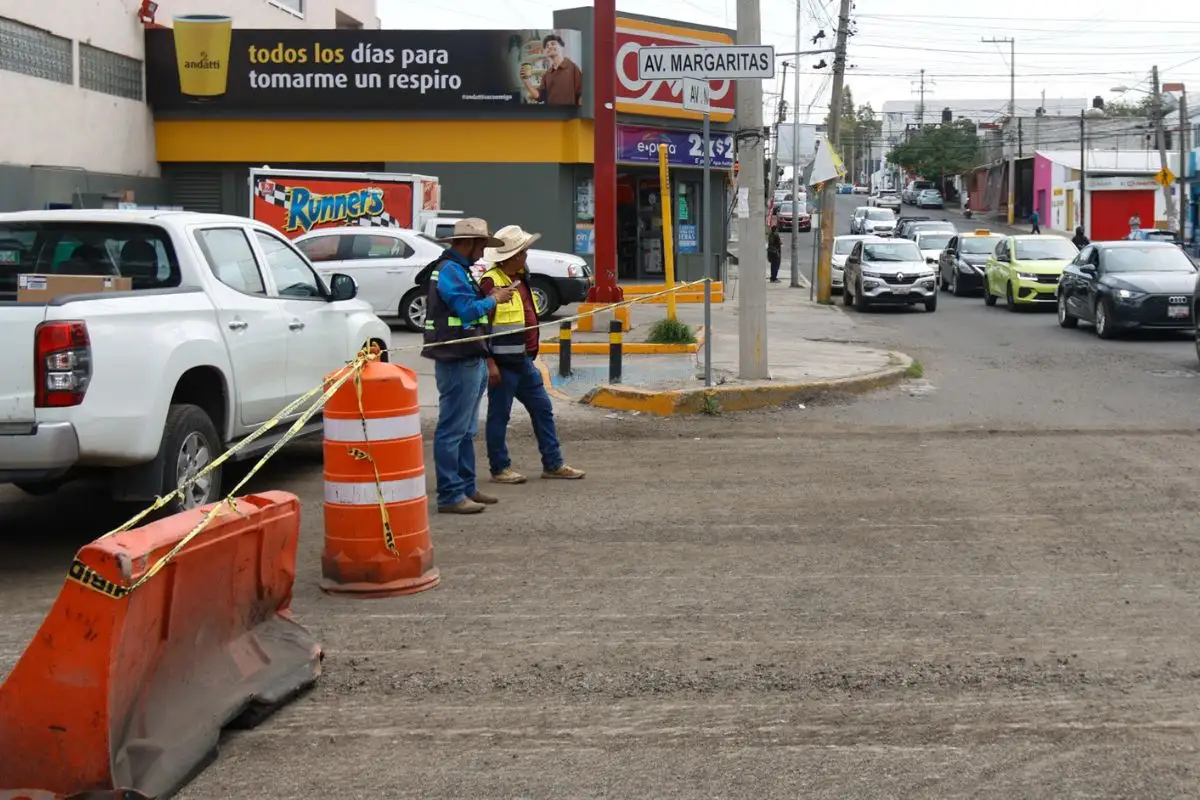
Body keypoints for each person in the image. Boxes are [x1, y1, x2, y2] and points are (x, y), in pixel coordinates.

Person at [478, 225, 585, 484]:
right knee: (499, 416)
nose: (527, 255)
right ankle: (499, 468)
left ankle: (553, 463)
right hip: (503, 363)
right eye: (523, 251)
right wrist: (489, 362)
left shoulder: (521, 277)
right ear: (512, 257)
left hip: (523, 360)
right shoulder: (491, 282)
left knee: (543, 409)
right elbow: (480, 325)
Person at [421, 218, 513, 515]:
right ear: (468, 243)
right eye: (482, 244)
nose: (484, 250)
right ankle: (450, 494)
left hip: (466, 355)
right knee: (453, 429)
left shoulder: (457, 269)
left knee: (465, 429)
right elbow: (467, 310)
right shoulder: (450, 270)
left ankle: (466, 487)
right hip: (457, 358)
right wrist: (494, 299)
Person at [521, 34, 582, 107]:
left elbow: (581, 94)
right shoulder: (547, 74)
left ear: (562, 47)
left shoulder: (573, 68)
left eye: (553, 44)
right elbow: (540, 97)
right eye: (547, 46)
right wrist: (526, 81)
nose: (549, 47)